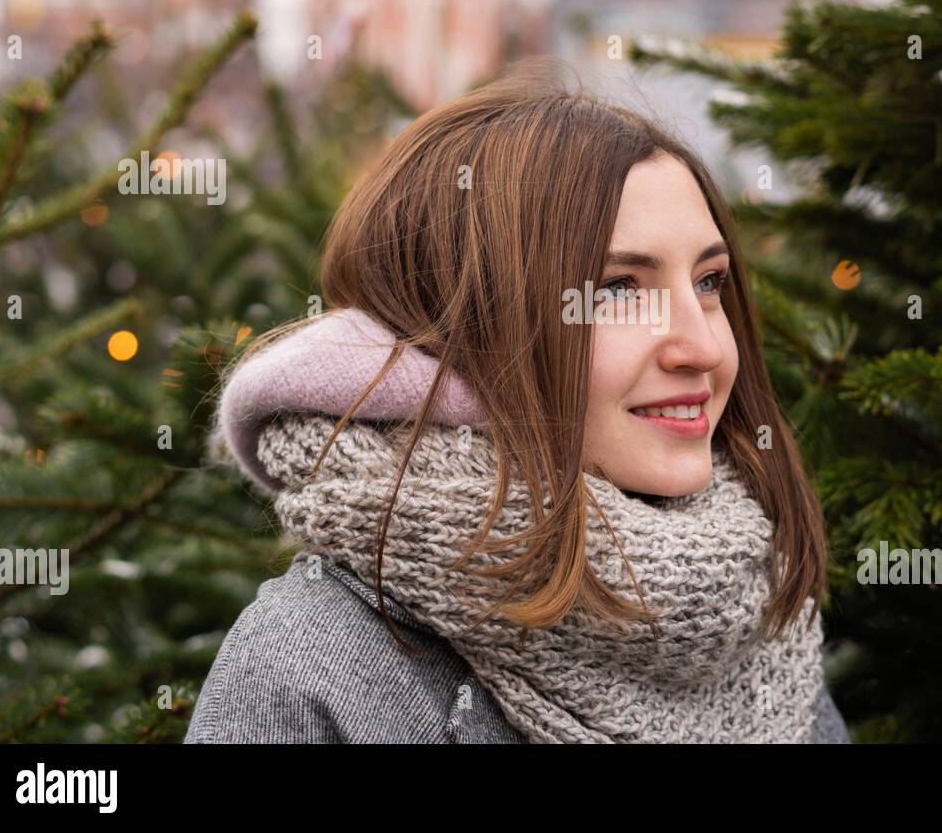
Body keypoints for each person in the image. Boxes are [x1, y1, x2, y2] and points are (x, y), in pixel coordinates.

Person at [185, 60, 851, 744]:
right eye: (620, 290)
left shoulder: (754, 626)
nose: (704, 347)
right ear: (463, 335)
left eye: (709, 282)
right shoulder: (313, 670)